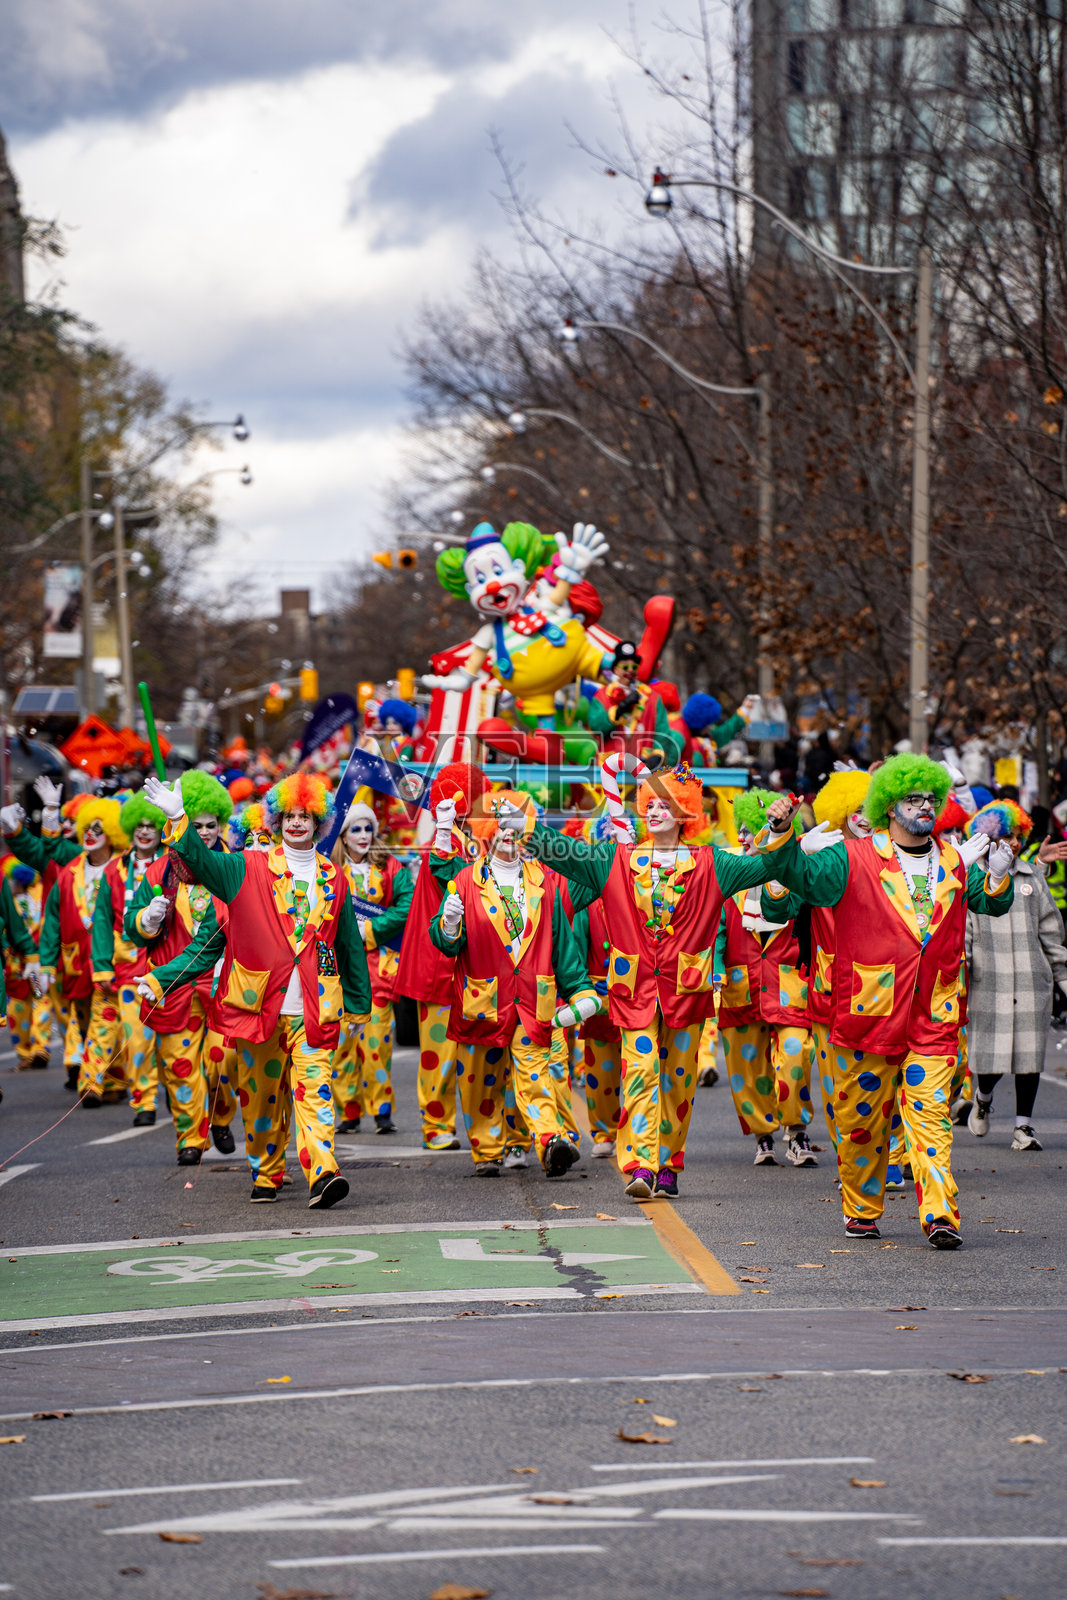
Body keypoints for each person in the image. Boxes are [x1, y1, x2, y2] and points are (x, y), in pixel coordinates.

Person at [495, 764, 802, 1198]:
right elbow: (564, 852)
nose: (655, 812)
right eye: (650, 805)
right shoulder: (617, 860)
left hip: (687, 991)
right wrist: (524, 827)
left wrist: (781, 830)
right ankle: (640, 1165)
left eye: (666, 805)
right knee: (639, 1073)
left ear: (684, 814)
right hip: (633, 990)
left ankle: (669, 1163)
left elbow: (768, 865)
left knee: (678, 1081)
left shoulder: (711, 863)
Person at [777, 753, 1014, 1249]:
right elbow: (796, 884)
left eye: (930, 798)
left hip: (934, 1014)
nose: (925, 806)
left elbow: (992, 902)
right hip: (868, 1013)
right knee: (859, 1122)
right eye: (913, 799)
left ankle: (939, 1213)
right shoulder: (853, 857)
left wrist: (996, 874)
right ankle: (862, 1207)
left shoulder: (952, 857)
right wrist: (789, 843)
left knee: (931, 1118)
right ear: (889, 806)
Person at [143, 770, 370, 1207]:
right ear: (277, 820)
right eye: (290, 815)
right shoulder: (247, 868)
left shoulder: (335, 878)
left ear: (320, 822)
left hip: (313, 1007)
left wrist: (358, 1006)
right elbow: (203, 866)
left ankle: (323, 1173)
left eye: (306, 815)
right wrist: (179, 822)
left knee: (315, 1091)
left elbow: (348, 945)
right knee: (263, 1100)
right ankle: (266, 1173)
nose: (298, 823)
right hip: (259, 1006)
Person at [428, 790, 598, 1177]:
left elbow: (562, 945)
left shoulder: (546, 882)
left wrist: (580, 990)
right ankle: (487, 1150)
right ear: (487, 831)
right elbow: (445, 943)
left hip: (531, 1001)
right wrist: (450, 923)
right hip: (483, 999)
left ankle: (549, 1139)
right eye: (500, 825)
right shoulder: (466, 880)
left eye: (514, 825)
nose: (508, 833)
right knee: (479, 1081)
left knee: (534, 1074)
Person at [126, 770, 236, 1161]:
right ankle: (190, 1138)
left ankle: (221, 1116)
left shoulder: (234, 866)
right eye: (197, 823)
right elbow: (132, 925)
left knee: (222, 1061)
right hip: (175, 988)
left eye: (211, 825)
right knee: (180, 1066)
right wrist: (148, 920)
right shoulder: (158, 873)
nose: (204, 832)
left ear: (221, 824)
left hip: (225, 987)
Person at [1, 793, 128, 1102]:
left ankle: (90, 1082)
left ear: (111, 832)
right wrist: (34, 819)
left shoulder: (125, 867)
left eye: (98, 829)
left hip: (111, 961)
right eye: (87, 827)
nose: (89, 834)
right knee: (86, 1025)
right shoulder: (70, 868)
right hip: (74, 963)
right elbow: (53, 918)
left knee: (106, 1020)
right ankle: (112, 1080)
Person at [716, 790, 817, 1168]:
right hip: (740, 983)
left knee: (795, 1054)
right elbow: (715, 926)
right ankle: (763, 1133)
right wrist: (715, 968)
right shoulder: (727, 872)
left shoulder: (796, 870)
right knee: (747, 1068)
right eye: (740, 830)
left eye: (753, 828)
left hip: (788, 981)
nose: (745, 837)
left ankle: (796, 1129)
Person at [963, 800, 1067, 1152]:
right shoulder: (971, 878)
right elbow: (963, 933)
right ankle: (983, 1097)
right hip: (988, 981)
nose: (1013, 842)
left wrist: (1063, 979)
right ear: (988, 836)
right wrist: (960, 976)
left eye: (1018, 835)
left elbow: (1051, 931)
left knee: (1028, 1056)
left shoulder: (1031, 877)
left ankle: (1024, 1126)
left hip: (1030, 979)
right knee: (991, 1059)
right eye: (1005, 835)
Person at [395, 762, 488, 1151]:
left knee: (474, 1051)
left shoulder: (473, 839)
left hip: (471, 960)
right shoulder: (447, 838)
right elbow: (443, 869)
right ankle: (437, 1126)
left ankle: (472, 1128)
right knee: (440, 1051)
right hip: (440, 962)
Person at [330, 793, 413, 1136]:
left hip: (379, 969)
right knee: (339, 1046)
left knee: (376, 1042)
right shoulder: (328, 868)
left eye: (368, 829)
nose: (363, 836)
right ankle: (348, 1110)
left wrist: (372, 930)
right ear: (344, 835)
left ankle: (381, 1110)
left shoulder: (390, 867)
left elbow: (407, 904)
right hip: (337, 969)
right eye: (355, 830)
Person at [90, 788, 167, 1124]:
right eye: (140, 825)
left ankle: (188, 1098)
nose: (145, 831)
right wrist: (102, 967)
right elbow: (103, 920)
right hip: (127, 967)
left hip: (169, 964)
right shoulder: (114, 871)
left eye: (152, 825)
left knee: (179, 1040)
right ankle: (144, 1102)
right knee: (137, 1039)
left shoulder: (173, 863)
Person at [2, 862, 49, 1071]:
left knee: (40, 1000)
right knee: (17, 1008)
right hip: (14, 968)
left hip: (32, 963)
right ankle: (24, 1051)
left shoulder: (35, 899)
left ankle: (39, 1047)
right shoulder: (9, 899)